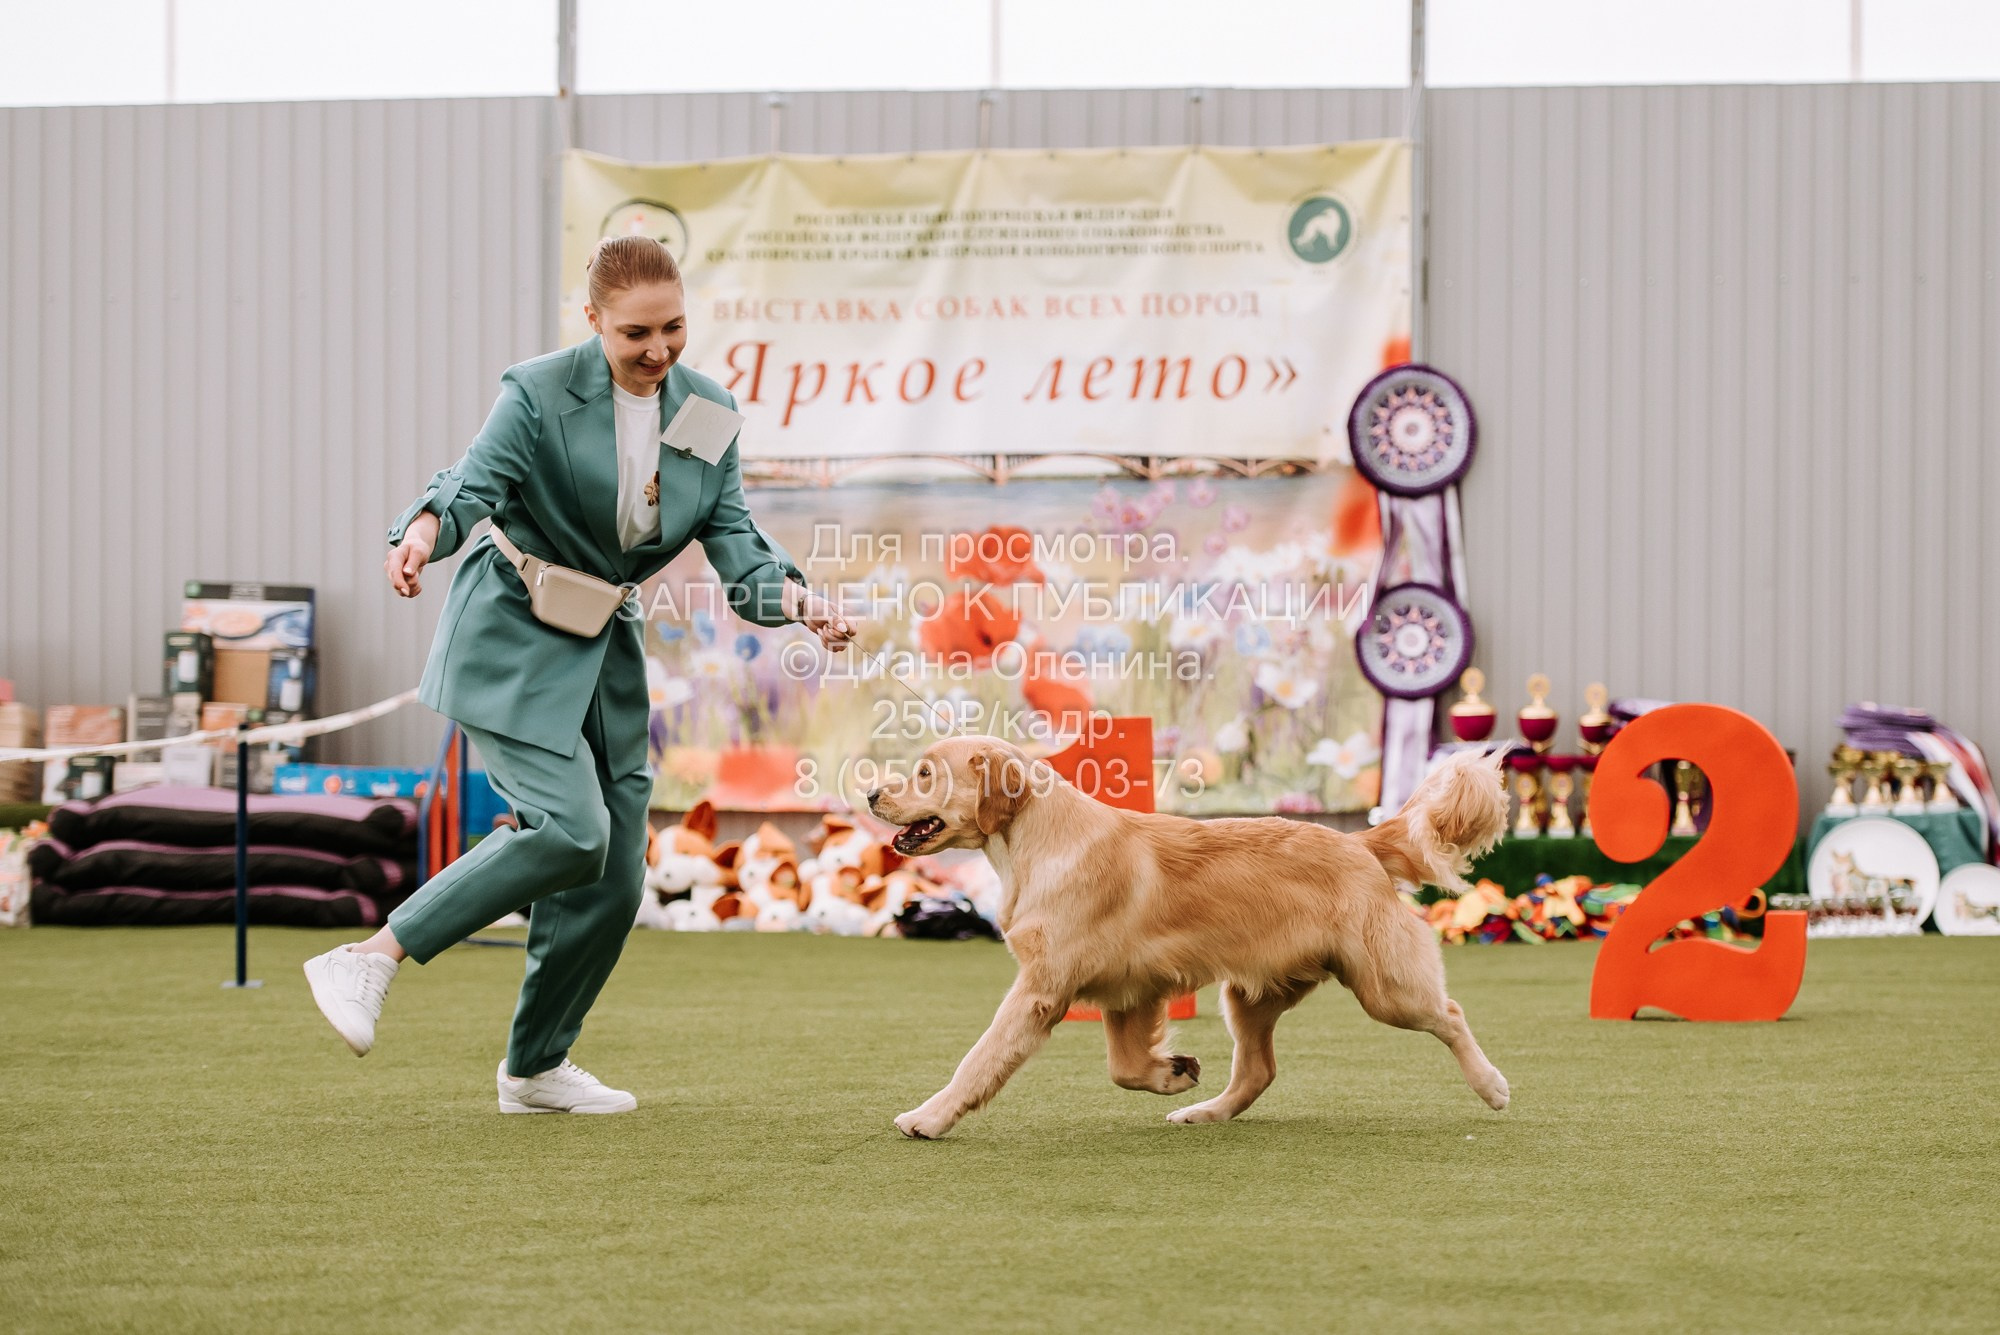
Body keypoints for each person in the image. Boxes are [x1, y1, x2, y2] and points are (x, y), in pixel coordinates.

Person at [303, 235, 854, 1113]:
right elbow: (471, 486)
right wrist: (419, 534)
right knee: (570, 828)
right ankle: (369, 957)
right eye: (636, 331)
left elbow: (738, 545)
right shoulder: (537, 390)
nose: (658, 351)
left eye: (674, 328)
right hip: (512, 636)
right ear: (593, 319)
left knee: (613, 873)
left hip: (604, 648)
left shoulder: (705, 412)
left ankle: (535, 1066)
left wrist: (797, 599)